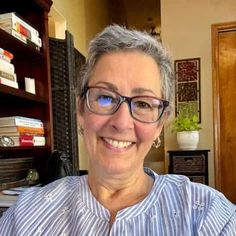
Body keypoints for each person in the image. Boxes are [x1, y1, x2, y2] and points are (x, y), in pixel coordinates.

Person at [0, 24, 235, 236]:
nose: (122, 122)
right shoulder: (25, 216)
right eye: (105, 97)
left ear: (159, 125)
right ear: (80, 110)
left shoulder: (208, 215)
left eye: (143, 103)